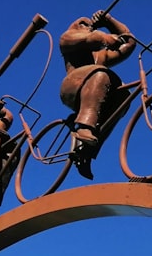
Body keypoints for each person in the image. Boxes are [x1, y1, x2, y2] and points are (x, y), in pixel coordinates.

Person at [58, 10, 136, 179]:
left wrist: (109, 21)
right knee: (100, 73)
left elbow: (129, 43)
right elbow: (89, 39)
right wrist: (103, 37)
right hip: (73, 87)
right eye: (82, 23)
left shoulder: (100, 55)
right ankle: (85, 126)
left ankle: (88, 150)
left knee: (123, 95)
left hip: (97, 87)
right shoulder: (67, 39)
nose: (87, 26)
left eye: (89, 24)